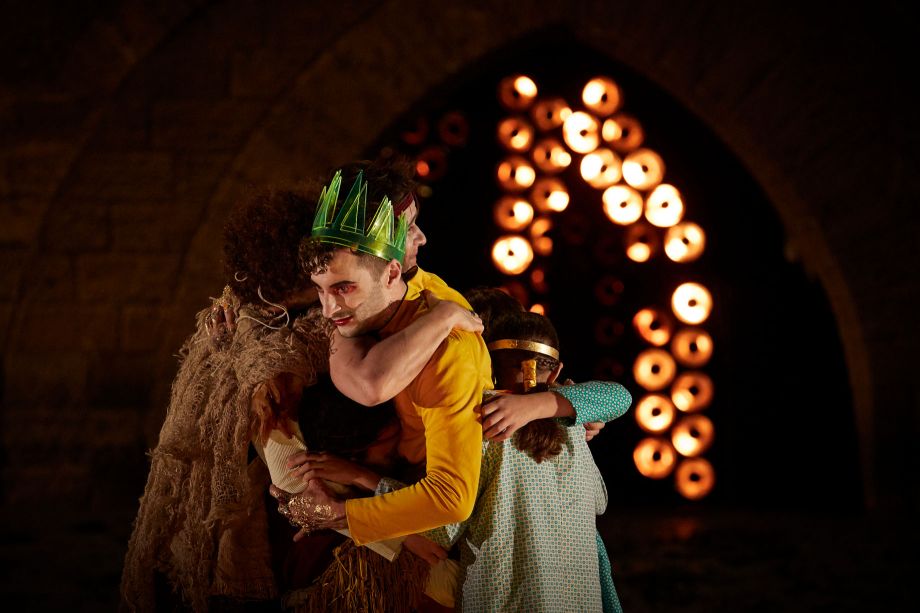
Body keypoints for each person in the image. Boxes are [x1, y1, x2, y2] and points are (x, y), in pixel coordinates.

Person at [120, 182, 480, 612]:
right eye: (322, 285)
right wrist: (400, 538)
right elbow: (295, 473)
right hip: (322, 542)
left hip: (372, 502)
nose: (329, 306)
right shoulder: (272, 355)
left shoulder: (308, 318)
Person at [281, 166, 493, 547]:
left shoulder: (449, 350)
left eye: (344, 289)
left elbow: (452, 499)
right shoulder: (369, 301)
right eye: (321, 290)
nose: (328, 309)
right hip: (391, 480)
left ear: (393, 273)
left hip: (471, 536)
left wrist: (338, 514)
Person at [424, 310, 632, 612]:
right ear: (557, 371)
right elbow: (599, 500)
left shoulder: (480, 424)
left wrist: (370, 484)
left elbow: (445, 527)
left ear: (489, 364)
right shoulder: (574, 426)